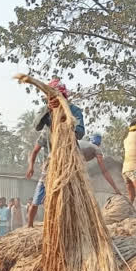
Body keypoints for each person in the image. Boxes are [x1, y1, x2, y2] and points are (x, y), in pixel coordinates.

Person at [26, 78, 85, 227]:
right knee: (42, 190)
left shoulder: (74, 110)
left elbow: (80, 132)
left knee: (76, 192)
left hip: (70, 160)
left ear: (63, 96)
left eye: (56, 96)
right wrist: (48, 109)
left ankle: (77, 222)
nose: (53, 100)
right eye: (50, 97)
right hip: (51, 160)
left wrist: (67, 120)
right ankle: (31, 224)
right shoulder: (46, 111)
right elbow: (36, 126)